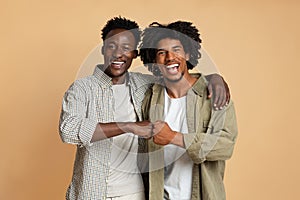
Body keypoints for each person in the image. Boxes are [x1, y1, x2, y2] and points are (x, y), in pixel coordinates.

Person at [59, 16, 230, 200]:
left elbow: (177, 75)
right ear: (103, 48)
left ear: (134, 54)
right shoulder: (82, 88)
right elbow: (68, 130)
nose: (118, 54)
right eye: (112, 46)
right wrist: (128, 126)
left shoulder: (144, 85)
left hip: (136, 194)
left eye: (126, 48)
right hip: (91, 192)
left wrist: (213, 79)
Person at [138, 21, 238, 200]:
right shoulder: (150, 97)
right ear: (155, 62)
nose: (170, 57)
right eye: (162, 53)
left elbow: (225, 145)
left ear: (188, 54)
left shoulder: (214, 94)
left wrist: (174, 137)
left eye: (176, 50)